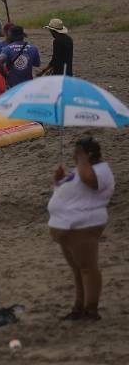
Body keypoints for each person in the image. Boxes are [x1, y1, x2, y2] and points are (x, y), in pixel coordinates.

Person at [49, 136, 114, 321]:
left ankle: (91, 309)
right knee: (78, 270)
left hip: (83, 225)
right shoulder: (80, 170)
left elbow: (90, 181)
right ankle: (79, 307)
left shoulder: (102, 170)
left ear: (88, 154)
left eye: (77, 152)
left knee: (87, 268)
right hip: (67, 227)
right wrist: (58, 180)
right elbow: (69, 193)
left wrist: (82, 159)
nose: (74, 155)